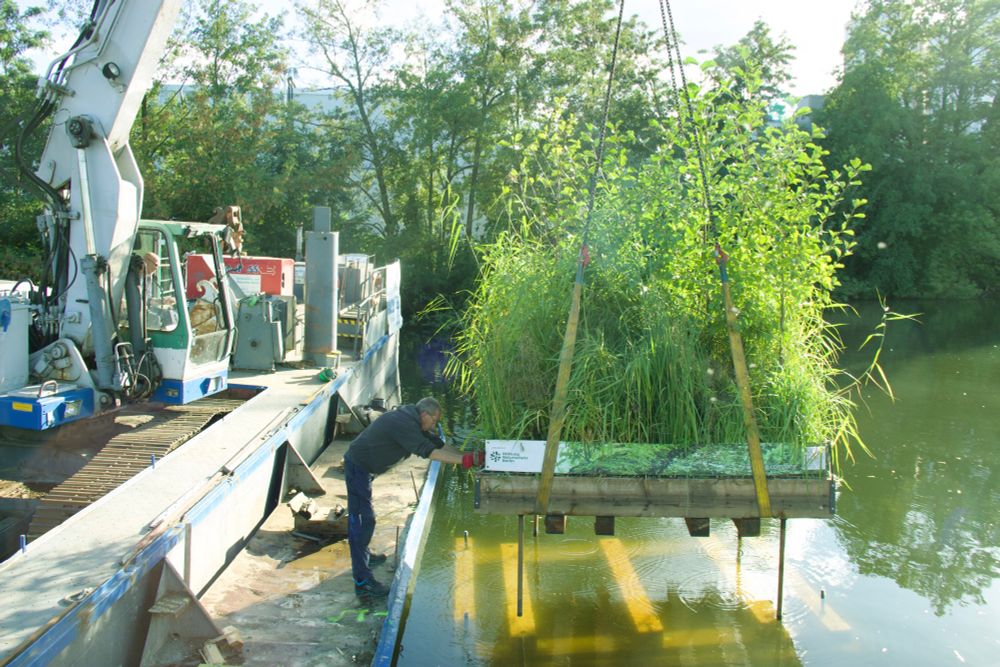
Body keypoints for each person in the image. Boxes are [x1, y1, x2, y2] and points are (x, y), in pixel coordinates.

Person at [343, 396, 481, 598]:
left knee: (365, 519)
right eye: (434, 421)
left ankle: (364, 555)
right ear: (425, 414)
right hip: (358, 467)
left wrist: (467, 456)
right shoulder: (403, 423)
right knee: (364, 520)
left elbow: (438, 445)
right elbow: (429, 452)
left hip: (367, 469)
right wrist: (464, 461)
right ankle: (362, 581)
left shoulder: (415, 421)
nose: (434, 425)